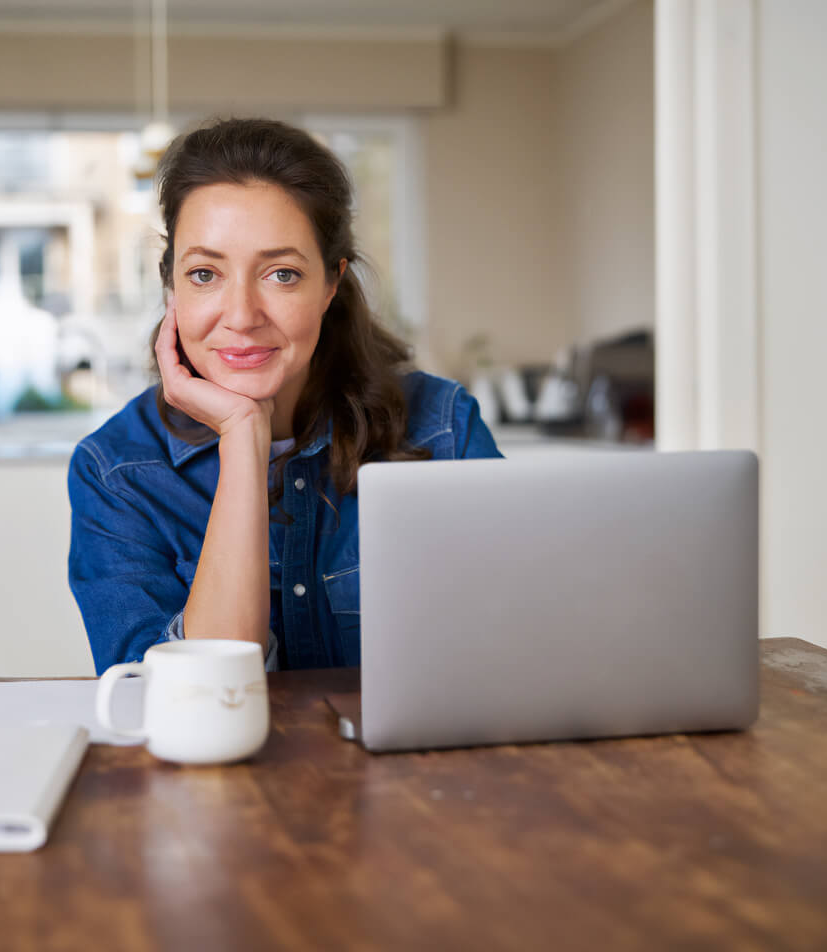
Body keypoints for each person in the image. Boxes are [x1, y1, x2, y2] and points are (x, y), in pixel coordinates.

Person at [68, 117, 502, 673]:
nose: (242, 316)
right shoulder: (116, 472)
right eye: (204, 274)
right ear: (170, 286)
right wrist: (243, 436)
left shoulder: (442, 428)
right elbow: (188, 700)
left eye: (281, 274)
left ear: (330, 284)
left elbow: (509, 650)